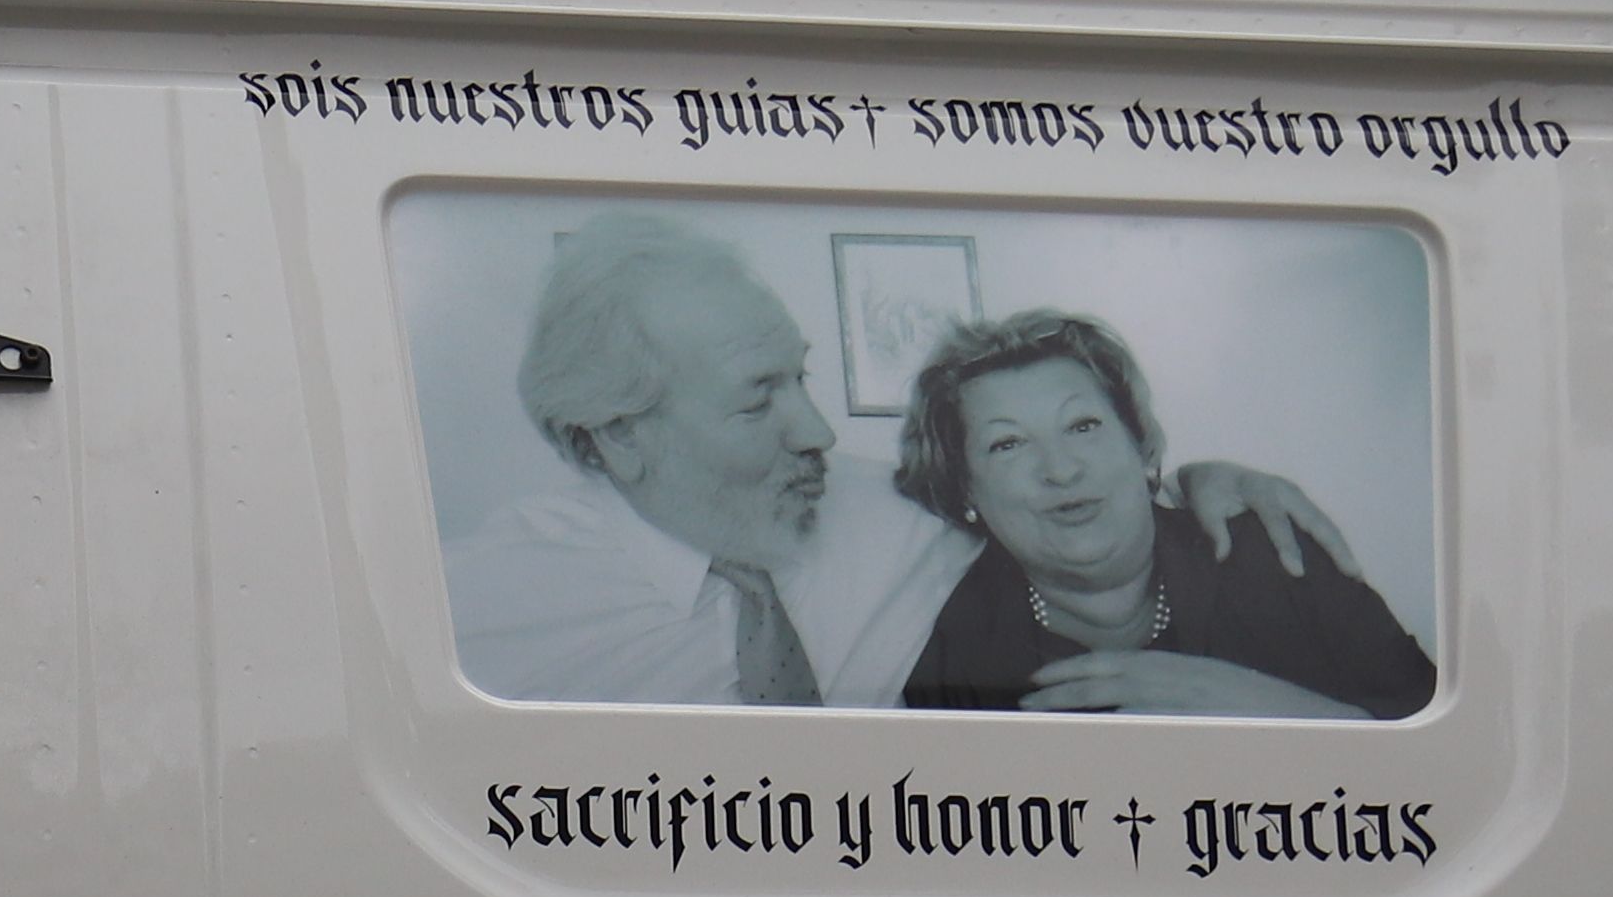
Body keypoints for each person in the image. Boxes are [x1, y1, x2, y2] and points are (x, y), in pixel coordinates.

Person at [448, 213, 1362, 708]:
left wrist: (1205, 480)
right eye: (756, 397)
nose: (817, 432)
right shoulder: (480, 613)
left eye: (799, 377)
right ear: (616, 436)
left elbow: (1048, 492)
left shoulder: (881, 512)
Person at [892, 306, 1436, 720]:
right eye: (1007, 444)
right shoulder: (951, 645)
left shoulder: (1276, 555)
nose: (1059, 470)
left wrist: (1279, 713)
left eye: (1083, 426)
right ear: (964, 489)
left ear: (1143, 448)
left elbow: (1451, 759)